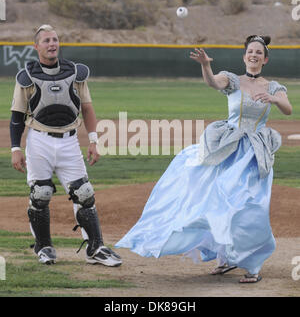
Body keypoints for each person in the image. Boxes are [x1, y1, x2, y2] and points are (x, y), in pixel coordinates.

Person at [116, 35, 292, 283]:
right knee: (218, 201)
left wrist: (274, 99)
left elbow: (288, 107)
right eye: (250, 51)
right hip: (228, 149)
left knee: (249, 206)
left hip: (254, 154)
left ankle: (252, 265)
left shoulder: (273, 86)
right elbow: (213, 82)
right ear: (244, 56)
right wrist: (205, 65)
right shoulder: (233, 80)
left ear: (265, 59)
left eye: (258, 52)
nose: (253, 55)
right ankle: (226, 258)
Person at [10, 24, 122, 267]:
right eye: (47, 40)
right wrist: (15, 148)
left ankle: (95, 248)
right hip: (38, 140)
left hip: (70, 141)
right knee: (40, 194)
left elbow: (87, 108)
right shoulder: (26, 77)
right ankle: (44, 247)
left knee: (84, 194)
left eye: (55, 39)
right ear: (36, 46)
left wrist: (93, 141)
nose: (52, 44)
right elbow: (17, 116)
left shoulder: (75, 73)